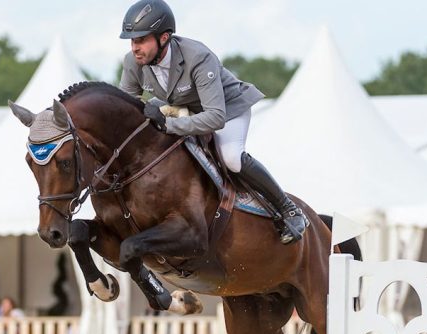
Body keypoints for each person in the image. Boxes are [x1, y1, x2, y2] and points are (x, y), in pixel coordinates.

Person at [118, 0, 308, 244]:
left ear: (164, 37)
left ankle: (288, 208)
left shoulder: (198, 57)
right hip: (188, 109)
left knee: (231, 158)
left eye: (141, 40)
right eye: (133, 41)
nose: (135, 48)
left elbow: (215, 117)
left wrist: (168, 126)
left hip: (228, 110)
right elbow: (124, 108)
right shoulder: (133, 62)